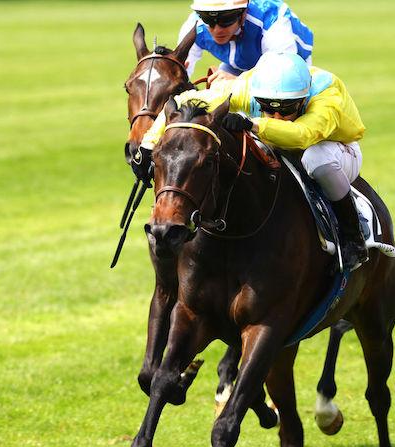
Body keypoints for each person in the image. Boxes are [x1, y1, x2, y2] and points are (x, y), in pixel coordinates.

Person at [133, 52, 368, 271]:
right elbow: (181, 101)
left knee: (316, 160)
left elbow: (302, 135)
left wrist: (253, 123)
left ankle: (353, 236)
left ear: (303, 99)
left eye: (287, 108)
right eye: (267, 108)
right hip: (277, 140)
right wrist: (148, 143)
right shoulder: (247, 87)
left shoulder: (327, 98)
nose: (277, 116)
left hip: (334, 147)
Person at [178, 0, 313, 86]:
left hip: (291, 67)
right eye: (208, 20)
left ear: (243, 14)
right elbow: (179, 74)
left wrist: (239, 82)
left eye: (226, 20)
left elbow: (282, 75)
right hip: (237, 65)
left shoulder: (272, 20)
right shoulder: (194, 26)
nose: (217, 30)